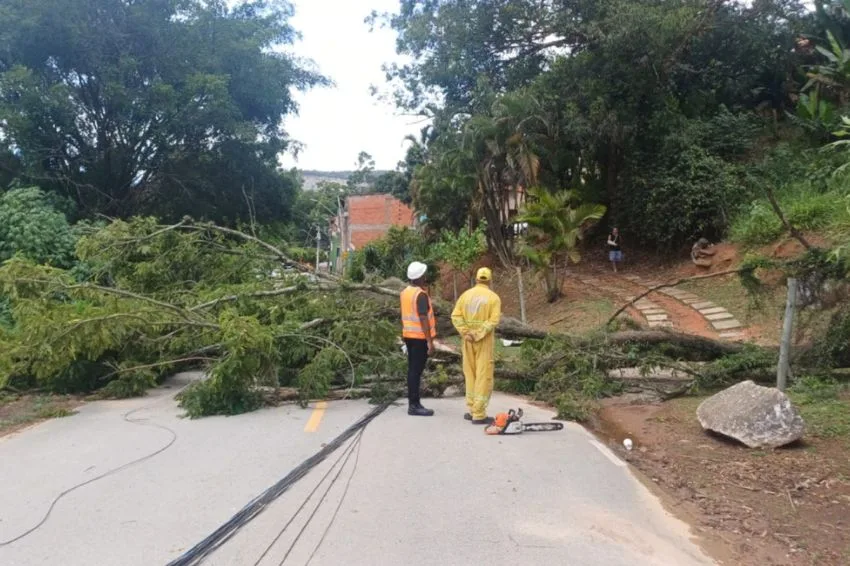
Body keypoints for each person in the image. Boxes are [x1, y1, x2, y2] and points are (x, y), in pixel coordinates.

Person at [451, 267, 502, 425]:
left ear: (477, 279)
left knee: (470, 373)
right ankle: (479, 414)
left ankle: (472, 408)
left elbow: (456, 315)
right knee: (483, 375)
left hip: (467, 341)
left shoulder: (465, 296)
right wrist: (478, 334)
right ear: (490, 280)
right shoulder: (494, 298)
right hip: (483, 341)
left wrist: (466, 333)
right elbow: (493, 321)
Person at [400, 261, 436, 417]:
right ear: (420, 277)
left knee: (412, 371)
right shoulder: (420, 295)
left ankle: (414, 403)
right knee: (415, 372)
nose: (425, 276)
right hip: (419, 338)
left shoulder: (405, 292)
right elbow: (423, 318)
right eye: (424, 274)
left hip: (408, 336)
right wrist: (429, 341)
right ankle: (414, 405)